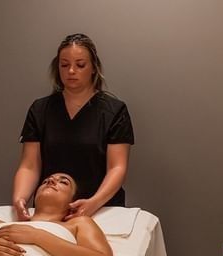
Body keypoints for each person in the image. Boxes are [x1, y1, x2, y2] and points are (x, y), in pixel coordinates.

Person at [12, 33, 134, 222]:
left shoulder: (114, 111)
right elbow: (29, 165)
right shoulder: (41, 110)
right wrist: (19, 198)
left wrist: (93, 203)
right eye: (64, 65)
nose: (71, 71)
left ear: (93, 68)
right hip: (51, 211)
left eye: (80, 65)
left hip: (101, 209)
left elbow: (117, 167)